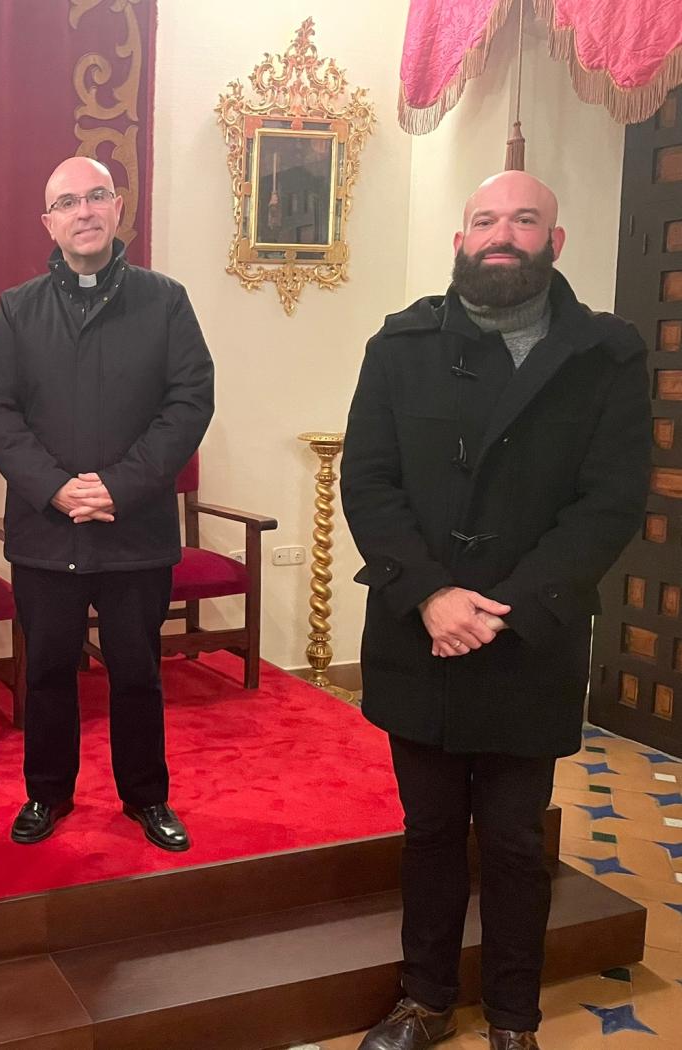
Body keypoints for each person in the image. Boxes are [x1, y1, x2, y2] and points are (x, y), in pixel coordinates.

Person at [342, 170, 651, 1050]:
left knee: (516, 841)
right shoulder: (399, 345)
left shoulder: (606, 355)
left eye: (524, 220)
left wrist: (506, 608)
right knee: (430, 832)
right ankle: (423, 1001)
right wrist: (432, 595)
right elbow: (369, 481)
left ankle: (515, 1018)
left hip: (531, 638)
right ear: (460, 241)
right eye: (485, 220)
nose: (502, 235)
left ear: (556, 241)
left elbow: (610, 501)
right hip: (421, 632)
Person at [0, 157, 214, 852]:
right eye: (68, 202)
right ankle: (47, 793)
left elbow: (189, 400)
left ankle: (147, 796)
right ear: (48, 222)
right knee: (49, 670)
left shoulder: (165, 301)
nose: (84, 211)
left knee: (138, 672)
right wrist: (53, 485)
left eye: (97, 196)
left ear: (117, 209)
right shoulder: (18, 309)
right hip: (47, 528)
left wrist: (121, 485)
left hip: (133, 528)